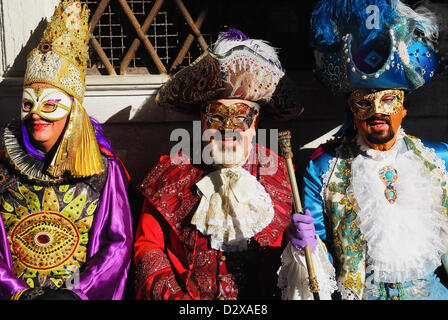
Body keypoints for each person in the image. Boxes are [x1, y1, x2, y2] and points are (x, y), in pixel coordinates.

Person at [278, 0, 448, 300]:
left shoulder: (439, 159)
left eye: (388, 100)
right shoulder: (324, 168)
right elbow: (318, 251)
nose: (376, 112)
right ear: (352, 112)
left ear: (404, 109)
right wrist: (306, 246)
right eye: (363, 103)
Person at [133, 29, 302, 300]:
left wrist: (302, 248)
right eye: (216, 117)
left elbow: (296, 264)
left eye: (240, 117)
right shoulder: (170, 173)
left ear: (256, 122)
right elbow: (149, 249)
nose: (227, 130)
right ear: (202, 121)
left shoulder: (282, 173)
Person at [0, 0, 133, 300]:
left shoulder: (104, 170)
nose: (36, 113)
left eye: (49, 104)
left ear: (72, 111)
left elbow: (118, 245)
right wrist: (19, 293)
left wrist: (73, 293)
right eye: (28, 103)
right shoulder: (2, 167)